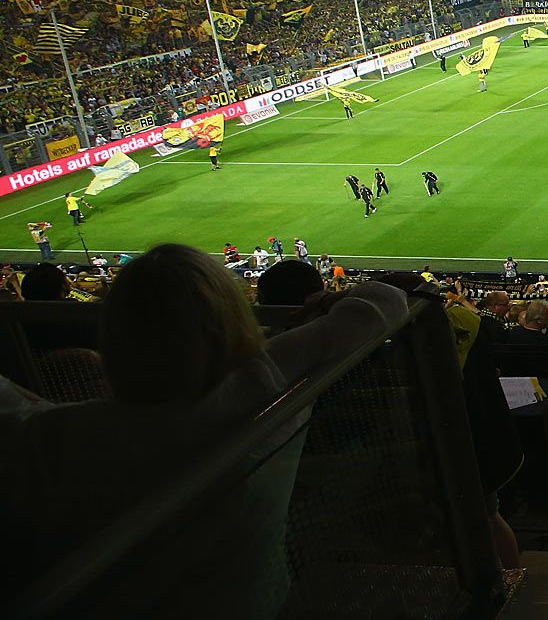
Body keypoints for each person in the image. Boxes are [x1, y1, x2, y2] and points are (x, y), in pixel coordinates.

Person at [0, 245, 408, 617]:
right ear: (229, 320)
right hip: (258, 605)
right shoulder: (267, 381)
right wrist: (322, 300)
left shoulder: (50, 437)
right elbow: (386, 300)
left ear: (113, 335)